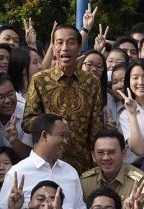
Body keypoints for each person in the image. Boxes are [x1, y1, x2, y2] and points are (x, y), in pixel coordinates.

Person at [22, 24, 104, 173]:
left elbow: (96, 127)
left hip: (83, 165)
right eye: (59, 42)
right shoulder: (40, 80)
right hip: (47, 163)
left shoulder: (92, 82)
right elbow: (27, 122)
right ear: (53, 47)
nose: (65, 47)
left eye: (71, 42)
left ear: (79, 48)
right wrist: (52, 124)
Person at [0, 113, 88, 209]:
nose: (66, 142)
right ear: (44, 135)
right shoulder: (18, 172)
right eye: (62, 136)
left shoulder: (71, 172)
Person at [81, 129, 144, 209]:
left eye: (112, 152)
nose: (106, 158)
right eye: (100, 152)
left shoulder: (139, 181)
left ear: (123, 153)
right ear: (93, 156)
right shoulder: (86, 181)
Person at [0, 73, 32, 158]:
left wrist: (14, 141)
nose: (7, 100)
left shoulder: (28, 114)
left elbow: (31, 156)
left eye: (11, 94)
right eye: (1, 97)